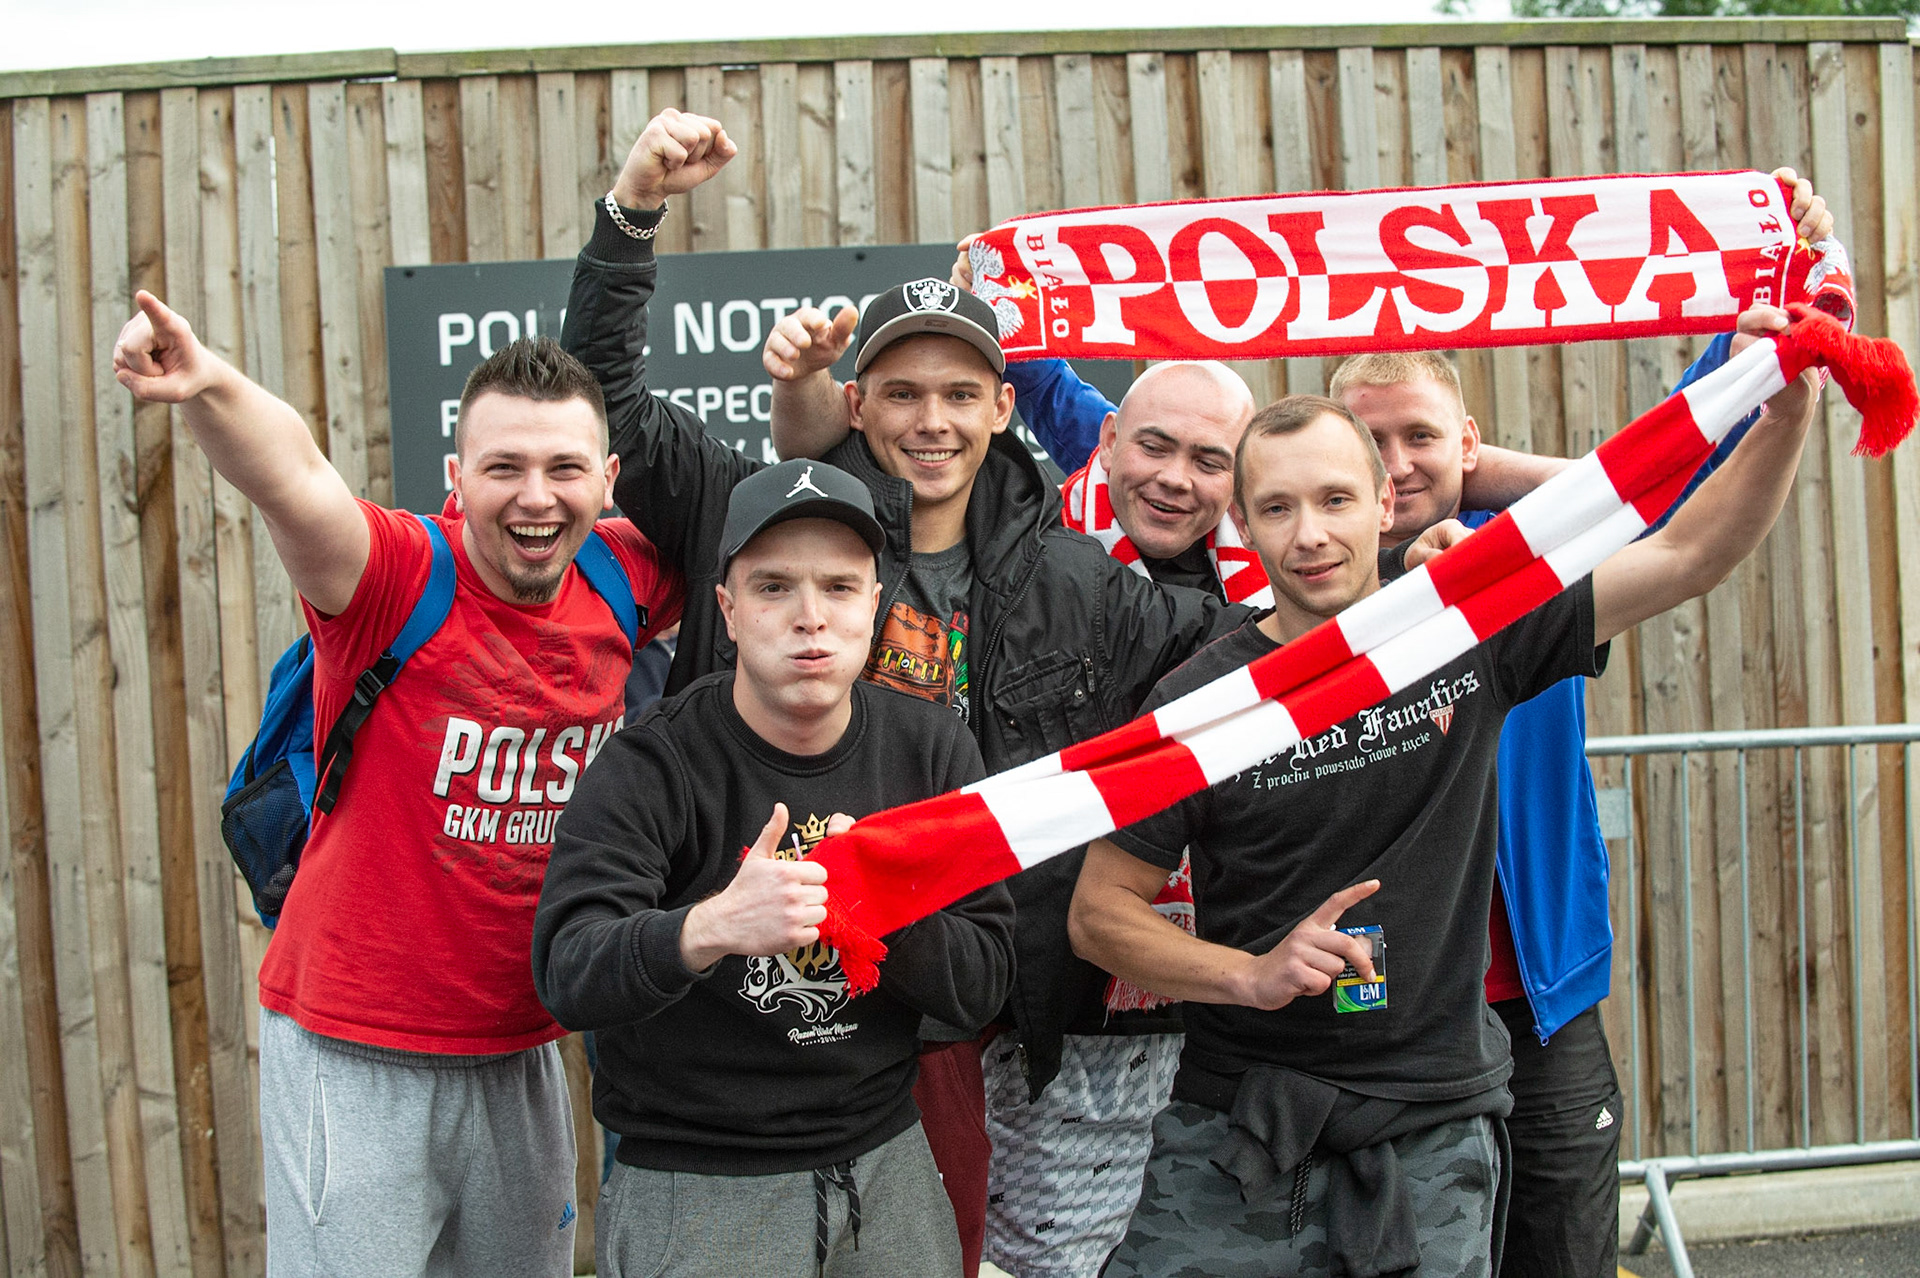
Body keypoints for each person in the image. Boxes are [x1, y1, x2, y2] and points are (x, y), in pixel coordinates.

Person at [765, 278, 1560, 1278]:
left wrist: (1420, 549)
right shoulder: (1050, 559)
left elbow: (1319, 608)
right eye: (1152, 448)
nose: (1177, 476)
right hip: (974, 995)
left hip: (1191, 1035)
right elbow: (812, 476)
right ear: (1103, 445)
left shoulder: (1193, 610)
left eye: (1212, 463)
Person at [562, 107, 1227, 1278]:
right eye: (904, 394)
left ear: (1002, 407)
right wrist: (634, 209)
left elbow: (1252, 654)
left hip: (966, 1020)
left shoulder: (1082, 587)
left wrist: (1428, 554)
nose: (933, 422)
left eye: (961, 394)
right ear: (857, 402)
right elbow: (604, 394)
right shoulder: (758, 516)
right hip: (743, 1045)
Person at [1068, 302, 1820, 1278]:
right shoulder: (1197, 700)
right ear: (1242, 525)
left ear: (1384, 504)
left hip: (1433, 1121)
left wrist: (1789, 415)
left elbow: (1689, 555)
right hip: (1240, 1123)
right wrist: (1243, 975)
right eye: (1280, 508)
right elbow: (1100, 915)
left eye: (1337, 500)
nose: (1311, 536)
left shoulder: (1468, 631)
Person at [111, 297, 683, 1276]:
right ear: (459, 478)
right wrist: (206, 385)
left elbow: (766, 533)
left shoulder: (625, 578)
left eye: (563, 469)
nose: (535, 497)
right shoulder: (396, 577)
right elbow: (293, 474)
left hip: (519, 1048)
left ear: (608, 480)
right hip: (355, 1044)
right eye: (504, 467)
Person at [533, 459, 1015, 1276]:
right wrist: (708, 929)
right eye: (772, 588)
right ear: (725, 609)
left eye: (837, 586)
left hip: (887, 1160)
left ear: (875, 602)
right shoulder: (655, 762)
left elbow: (986, 979)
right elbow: (568, 969)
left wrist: (886, 905)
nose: (809, 618)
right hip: (700, 1180)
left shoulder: (933, 751)